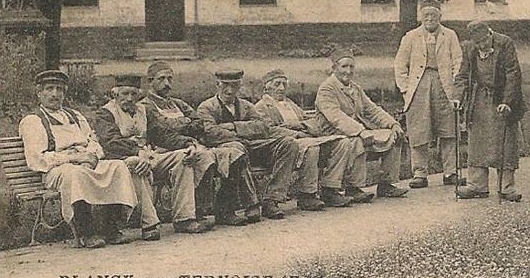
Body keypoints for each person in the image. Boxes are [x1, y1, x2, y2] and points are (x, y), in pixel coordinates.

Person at [19, 70, 136, 248]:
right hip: (56, 170)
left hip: (85, 162)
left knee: (117, 166)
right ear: (39, 92)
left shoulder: (75, 116)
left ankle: (110, 228)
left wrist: (92, 157)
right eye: (49, 89)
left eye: (59, 89)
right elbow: (37, 159)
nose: (55, 94)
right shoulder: (33, 121)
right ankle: (86, 232)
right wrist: (74, 157)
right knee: (75, 173)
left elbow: (93, 141)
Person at [140, 61, 258, 228]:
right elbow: (161, 131)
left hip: (192, 145)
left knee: (233, 153)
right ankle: (198, 211)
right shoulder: (146, 106)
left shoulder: (177, 103)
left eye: (169, 79)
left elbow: (199, 123)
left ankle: (225, 209)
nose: (167, 83)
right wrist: (186, 125)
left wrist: (178, 125)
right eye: (161, 79)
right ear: (150, 81)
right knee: (205, 157)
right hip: (166, 150)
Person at [94, 74, 211, 239]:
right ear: (115, 94)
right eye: (125, 94)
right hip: (120, 159)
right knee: (138, 166)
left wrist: (188, 143)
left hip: (149, 156)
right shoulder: (105, 113)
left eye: (134, 94)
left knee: (183, 158)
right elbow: (110, 142)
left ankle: (184, 218)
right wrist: (137, 152)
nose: (129, 98)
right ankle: (149, 224)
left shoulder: (144, 110)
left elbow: (162, 135)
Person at [254, 69, 368, 209]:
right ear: (267, 87)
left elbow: (313, 122)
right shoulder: (261, 107)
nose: (282, 88)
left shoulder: (290, 104)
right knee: (312, 148)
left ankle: (330, 189)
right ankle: (307, 195)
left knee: (342, 142)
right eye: (277, 84)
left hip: (307, 138)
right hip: (288, 144)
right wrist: (296, 133)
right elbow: (269, 130)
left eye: (284, 84)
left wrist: (301, 125)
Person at [197, 69, 300, 220]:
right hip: (225, 150)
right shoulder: (206, 107)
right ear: (217, 85)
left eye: (234, 86)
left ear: (240, 86)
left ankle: (272, 199)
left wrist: (234, 126)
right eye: (225, 85)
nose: (230, 90)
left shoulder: (246, 106)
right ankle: (250, 204)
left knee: (288, 144)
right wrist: (244, 133)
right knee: (237, 149)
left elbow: (263, 127)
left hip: (252, 146)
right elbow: (210, 133)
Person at [313, 48, 409, 200]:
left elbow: (372, 110)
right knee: (357, 141)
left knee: (394, 135)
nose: (348, 71)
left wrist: (393, 124)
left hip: (355, 131)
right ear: (334, 68)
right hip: (332, 134)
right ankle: (353, 188)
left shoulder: (355, 88)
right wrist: (360, 131)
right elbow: (336, 117)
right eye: (344, 66)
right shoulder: (327, 89)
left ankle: (386, 184)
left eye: (351, 67)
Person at [393, 0, 462, 188]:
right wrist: (405, 89)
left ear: (440, 16)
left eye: (433, 15)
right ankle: (420, 173)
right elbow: (400, 64)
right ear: (421, 17)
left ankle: (450, 172)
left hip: (445, 86)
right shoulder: (411, 37)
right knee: (419, 129)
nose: (430, 19)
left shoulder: (450, 35)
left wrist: (455, 83)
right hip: (419, 86)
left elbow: (458, 60)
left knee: (449, 129)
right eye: (426, 15)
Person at [454, 21, 525, 201]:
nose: (482, 46)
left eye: (484, 41)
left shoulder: (505, 43)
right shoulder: (469, 48)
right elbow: (463, 75)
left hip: (502, 98)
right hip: (479, 99)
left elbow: (513, 73)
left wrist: (507, 102)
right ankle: (477, 185)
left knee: (505, 143)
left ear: (490, 34)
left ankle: (506, 188)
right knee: (477, 142)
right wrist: (457, 97)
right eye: (477, 43)